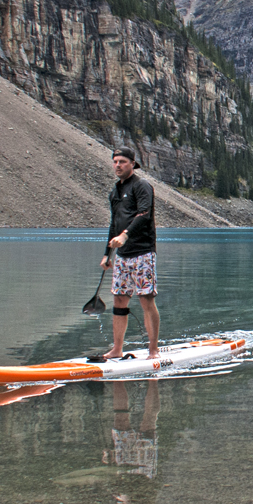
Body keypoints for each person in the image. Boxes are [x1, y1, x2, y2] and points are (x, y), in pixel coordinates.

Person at [102, 148, 159, 359]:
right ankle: (117, 349)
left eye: (123, 162)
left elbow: (144, 214)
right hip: (122, 255)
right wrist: (107, 254)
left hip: (143, 252)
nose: (118, 165)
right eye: (115, 161)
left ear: (133, 164)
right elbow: (113, 224)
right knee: (119, 301)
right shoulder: (115, 191)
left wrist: (125, 235)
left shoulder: (141, 185)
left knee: (146, 299)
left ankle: (153, 350)